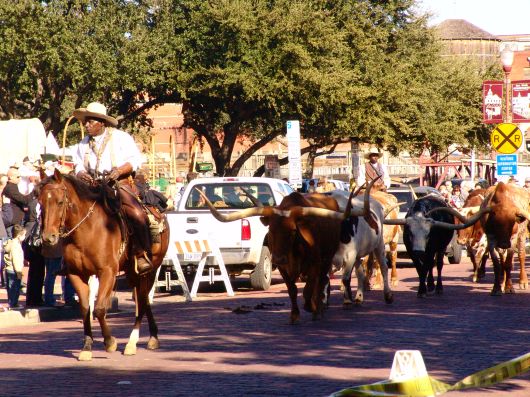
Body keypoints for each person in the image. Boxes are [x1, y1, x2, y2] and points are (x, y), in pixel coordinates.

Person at [72, 102, 154, 275]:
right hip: (92, 187)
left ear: (102, 122)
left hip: (119, 185)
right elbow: (77, 164)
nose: (86, 125)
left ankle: (140, 253)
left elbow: (135, 159)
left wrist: (119, 171)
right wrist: (80, 174)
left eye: (90, 121)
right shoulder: (82, 144)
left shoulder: (121, 137)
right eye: (85, 121)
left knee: (137, 213)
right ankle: (72, 258)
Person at [2, 167, 35, 236]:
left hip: (16, 221)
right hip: (12, 224)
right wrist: (35, 192)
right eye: (18, 177)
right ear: (10, 177)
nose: (20, 179)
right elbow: (24, 200)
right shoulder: (10, 188)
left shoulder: (13, 186)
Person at [3, 224, 26, 309]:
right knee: (15, 288)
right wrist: (18, 272)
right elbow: (16, 259)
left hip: (9, 269)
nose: (24, 237)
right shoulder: (15, 245)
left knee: (10, 288)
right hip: (14, 270)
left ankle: (11, 302)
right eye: (24, 235)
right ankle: (13, 304)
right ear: (19, 236)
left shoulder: (11, 243)